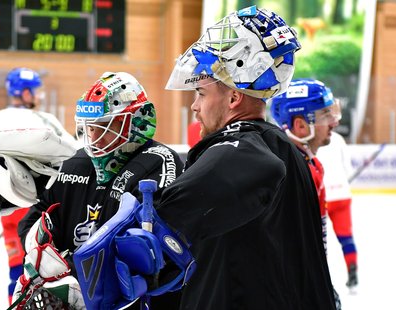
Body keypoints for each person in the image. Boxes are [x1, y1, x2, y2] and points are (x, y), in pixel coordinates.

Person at [73, 6, 337, 309]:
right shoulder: (279, 146)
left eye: (201, 93)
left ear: (234, 97)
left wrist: (156, 223)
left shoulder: (248, 143)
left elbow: (251, 161)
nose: (195, 106)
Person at [13, 71, 185, 309]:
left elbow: (141, 245)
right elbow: (36, 216)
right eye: (90, 127)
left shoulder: (159, 161)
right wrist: (43, 260)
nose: (94, 137)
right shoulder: (73, 162)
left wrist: (72, 273)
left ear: (136, 122)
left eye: (105, 126)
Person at [0, 67, 80, 303]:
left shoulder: (8, 118)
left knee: (26, 269)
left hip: (23, 204)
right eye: (34, 91)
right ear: (23, 92)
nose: (38, 96)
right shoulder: (23, 118)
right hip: (27, 204)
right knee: (32, 268)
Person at [270, 78, 342, 247]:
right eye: (325, 115)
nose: (334, 122)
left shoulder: (309, 163)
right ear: (301, 126)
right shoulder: (289, 172)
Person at [317, 130, 359, 291]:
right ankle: (352, 268)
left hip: (324, 196)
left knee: (318, 240)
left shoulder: (312, 139)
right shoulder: (339, 139)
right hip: (342, 194)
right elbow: (348, 167)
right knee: (346, 237)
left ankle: (321, 278)